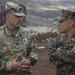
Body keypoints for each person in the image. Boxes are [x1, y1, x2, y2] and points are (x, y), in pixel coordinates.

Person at [0, 1, 38, 75]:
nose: (20, 19)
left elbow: (33, 50)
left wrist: (29, 61)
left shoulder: (27, 33)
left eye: (21, 16)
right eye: (17, 16)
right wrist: (9, 65)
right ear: (8, 17)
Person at [48, 9, 75, 75]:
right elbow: (51, 58)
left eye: (61, 21)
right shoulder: (58, 39)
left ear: (70, 23)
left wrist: (59, 52)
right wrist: (70, 54)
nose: (58, 24)